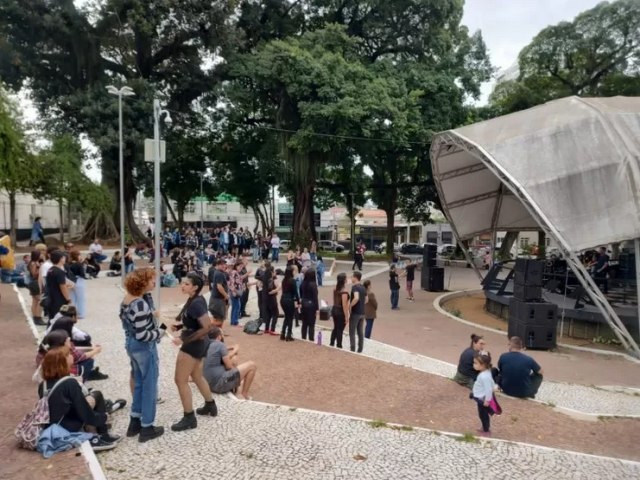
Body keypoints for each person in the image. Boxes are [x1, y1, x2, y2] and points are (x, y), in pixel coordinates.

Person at [38, 347, 119, 451]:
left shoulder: (42, 384)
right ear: (62, 362)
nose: (72, 355)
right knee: (97, 395)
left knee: (89, 398)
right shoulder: (69, 383)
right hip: (68, 426)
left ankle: (97, 434)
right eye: (68, 355)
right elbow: (83, 411)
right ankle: (100, 436)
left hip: (52, 426)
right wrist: (102, 417)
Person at [120, 269, 165, 442]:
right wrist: (161, 331)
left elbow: (132, 323)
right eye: (152, 280)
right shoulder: (140, 304)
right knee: (149, 386)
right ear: (143, 283)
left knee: (138, 383)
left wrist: (149, 315)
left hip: (131, 346)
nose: (154, 282)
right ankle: (147, 427)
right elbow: (143, 335)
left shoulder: (127, 300)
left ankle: (134, 422)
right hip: (144, 347)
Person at [170, 272, 218, 431]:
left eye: (186, 284)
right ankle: (210, 405)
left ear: (195, 287)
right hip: (198, 343)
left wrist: (184, 339)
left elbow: (207, 327)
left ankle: (189, 417)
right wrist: (179, 327)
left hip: (193, 345)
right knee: (197, 376)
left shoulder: (196, 303)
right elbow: (194, 322)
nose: (182, 285)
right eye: (182, 283)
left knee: (180, 380)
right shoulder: (194, 300)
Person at [203, 327, 257, 399]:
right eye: (222, 335)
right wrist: (235, 351)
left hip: (207, 384)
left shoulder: (205, 345)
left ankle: (234, 386)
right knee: (252, 365)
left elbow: (217, 354)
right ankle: (244, 394)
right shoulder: (220, 345)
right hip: (218, 385)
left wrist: (230, 349)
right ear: (219, 337)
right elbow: (229, 367)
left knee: (233, 359)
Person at [471, 351, 495, 437]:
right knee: (481, 413)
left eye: (476, 363)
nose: (474, 364)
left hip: (482, 398)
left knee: (483, 414)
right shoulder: (486, 372)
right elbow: (491, 383)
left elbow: (488, 389)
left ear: (483, 365)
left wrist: (487, 400)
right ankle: (484, 426)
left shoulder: (484, 376)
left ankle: (486, 430)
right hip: (479, 396)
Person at [46, 250, 72, 320]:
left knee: (52, 319)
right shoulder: (60, 272)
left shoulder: (50, 270)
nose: (65, 259)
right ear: (60, 259)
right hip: (59, 299)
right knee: (60, 319)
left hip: (51, 297)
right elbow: (62, 286)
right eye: (64, 257)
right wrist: (68, 298)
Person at [279, 266, 299, 341]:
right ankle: (288, 334)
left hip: (283, 299)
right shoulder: (292, 281)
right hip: (289, 299)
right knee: (290, 317)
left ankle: (283, 333)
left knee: (287, 316)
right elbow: (295, 292)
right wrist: (298, 301)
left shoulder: (284, 280)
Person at [330, 273, 350, 349]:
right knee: (340, 329)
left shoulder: (335, 289)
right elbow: (344, 305)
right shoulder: (344, 292)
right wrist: (346, 316)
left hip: (334, 309)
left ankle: (332, 342)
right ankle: (339, 344)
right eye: (346, 278)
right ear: (344, 280)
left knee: (335, 327)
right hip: (340, 311)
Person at [208, 259, 229, 327]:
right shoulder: (219, 273)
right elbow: (219, 287)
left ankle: (217, 333)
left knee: (217, 319)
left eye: (224, 264)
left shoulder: (219, 273)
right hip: (218, 301)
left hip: (216, 300)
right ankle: (205, 327)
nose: (223, 266)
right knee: (219, 320)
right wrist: (226, 296)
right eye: (221, 264)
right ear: (217, 265)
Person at [27, 250, 46, 325]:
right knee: (40, 300)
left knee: (35, 300)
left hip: (33, 282)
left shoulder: (33, 262)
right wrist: (40, 268)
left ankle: (35, 316)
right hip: (36, 282)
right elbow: (34, 274)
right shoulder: (34, 263)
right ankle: (38, 317)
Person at [349, 271, 366, 353]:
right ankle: (360, 349)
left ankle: (352, 348)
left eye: (352, 277)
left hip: (355, 312)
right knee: (360, 332)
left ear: (355, 277)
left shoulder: (355, 287)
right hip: (362, 312)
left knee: (352, 331)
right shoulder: (363, 287)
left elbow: (356, 298)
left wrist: (350, 305)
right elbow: (366, 300)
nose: (351, 278)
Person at [68, 249, 87, 319]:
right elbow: (83, 274)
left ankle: (72, 313)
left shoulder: (68, 263)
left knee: (72, 298)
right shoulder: (78, 264)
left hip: (70, 281)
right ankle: (81, 314)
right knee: (80, 299)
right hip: (79, 281)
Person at [263, 265, 280, 335]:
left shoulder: (264, 278)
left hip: (265, 299)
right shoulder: (270, 279)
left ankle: (266, 329)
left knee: (268, 314)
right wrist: (278, 288)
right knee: (275, 314)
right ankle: (272, 329)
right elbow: (271, 291)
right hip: (271, 299)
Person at [228, 260, 244, 327]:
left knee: (235, 306)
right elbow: (232, 282)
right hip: (235, 291)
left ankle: (233, 321)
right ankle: (235, 321)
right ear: (236, 266)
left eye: (242, 267)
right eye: (240, 267)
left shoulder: (235, 272)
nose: (241, 268)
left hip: (235, 290)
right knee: (237, 306)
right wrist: (234, 291)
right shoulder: (234, 272)